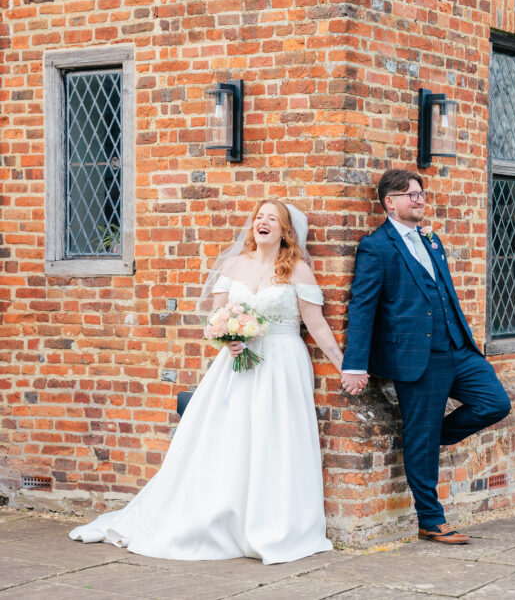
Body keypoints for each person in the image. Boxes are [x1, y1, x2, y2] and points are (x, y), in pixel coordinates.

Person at [70, 199, 341, 565]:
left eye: (271, 219)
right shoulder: (233, 265)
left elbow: (318, 325)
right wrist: (229, 337)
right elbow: (219, 314)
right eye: (259, 217)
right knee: (229, 438)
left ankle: (270, 522)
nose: (262, 222)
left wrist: (345, 366)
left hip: (283, 364)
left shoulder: (298, 271)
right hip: (236, 366)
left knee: (275, 438)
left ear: (285, 230)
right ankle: (219, 515)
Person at [341, 169, 511, 545]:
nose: (419, 199)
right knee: (420, 433)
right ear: (390, 202)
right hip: (416, 358)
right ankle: (431, 522)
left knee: (495, 402)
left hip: (457, 349)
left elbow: (445, 293)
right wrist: (355, 364)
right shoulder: (377, 246)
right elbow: (363, 307)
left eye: (420, 193)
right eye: (410, 195)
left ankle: (427, 439)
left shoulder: (432, 241)